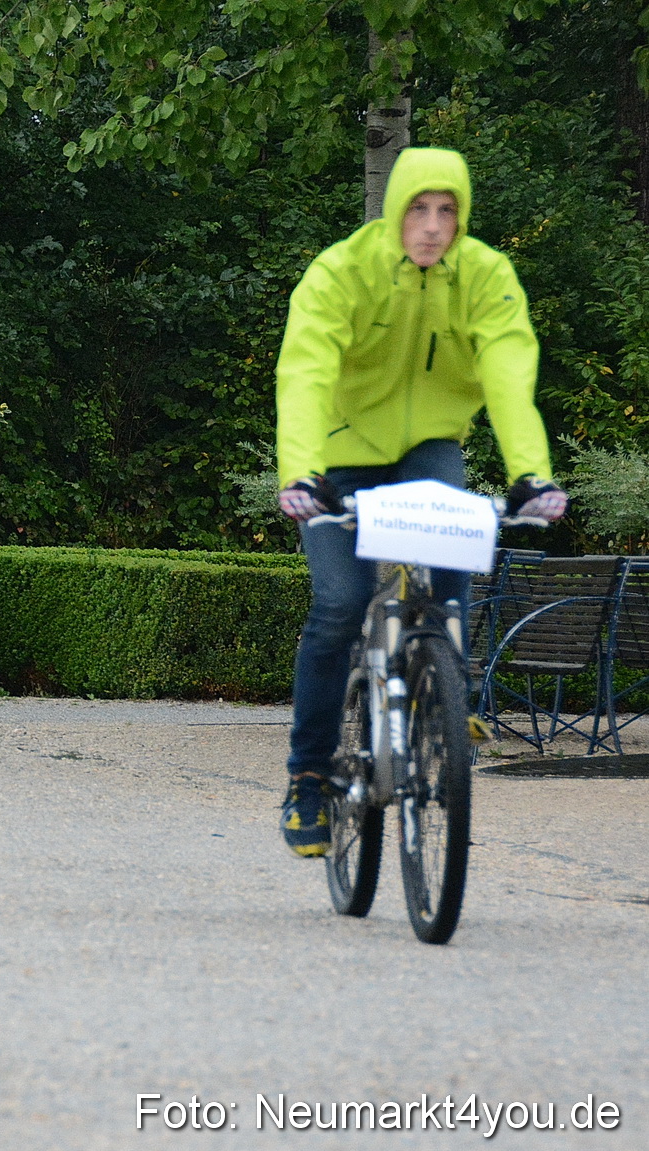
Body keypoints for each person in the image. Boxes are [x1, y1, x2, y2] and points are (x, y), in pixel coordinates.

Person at [274, 147, 567, 857]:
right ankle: (308, 777)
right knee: (341, 603)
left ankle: (445, 689)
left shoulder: (487, 275)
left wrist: (531, 472)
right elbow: (307, 371)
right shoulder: (341, 271)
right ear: (395, 207)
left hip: (428, 444)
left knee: (455, 519)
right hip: (340, 449)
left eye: (448, 211)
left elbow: (507, 370)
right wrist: (302, 473)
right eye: (419, 208)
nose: (433, 227)